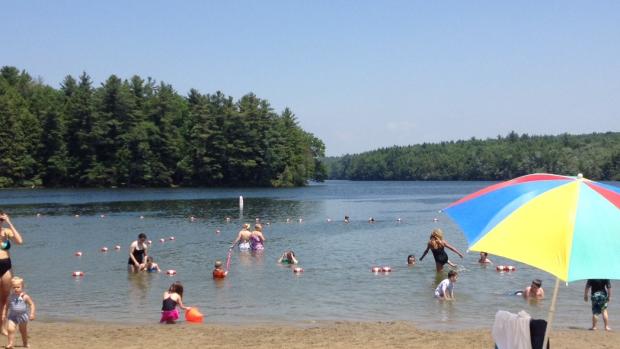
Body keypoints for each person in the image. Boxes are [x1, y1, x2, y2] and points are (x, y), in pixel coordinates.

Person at [0, 212, 23, 335]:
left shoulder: (6, 231)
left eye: (1, 219)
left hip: (6, 265)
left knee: (4, 299)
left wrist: (9, 222)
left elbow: (19, 241)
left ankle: (2, 326)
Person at [6, 276, 35, 349]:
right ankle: (10, 344)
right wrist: (4, 314)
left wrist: (32, 313)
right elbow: (7, 306)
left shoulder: (25, 296)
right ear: (11, 288)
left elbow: (32, 304)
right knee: (10, 329)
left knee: (23, 331)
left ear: (22, 287)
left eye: (18, 287)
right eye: (14, 287)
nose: (16, 289)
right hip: (12, 316)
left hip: (22, 316)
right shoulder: (10, 297)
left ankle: (25, 343)